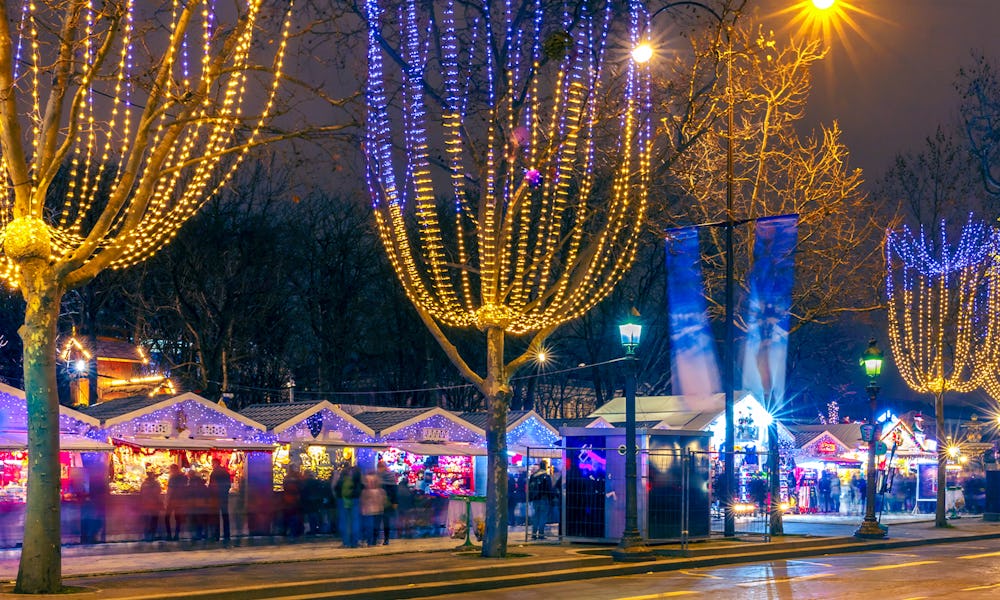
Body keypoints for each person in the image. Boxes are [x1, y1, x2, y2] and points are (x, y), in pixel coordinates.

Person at [335, 465, 362, 547]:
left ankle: (346, 542)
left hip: (342, 502)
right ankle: (355, 542)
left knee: (344, 522)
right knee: (355, 522)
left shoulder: (341, 480)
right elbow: (359, 491)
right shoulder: (357, 480)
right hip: (354, 501)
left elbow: (336, 490)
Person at [208, 458, 232, 541]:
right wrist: (225, 491)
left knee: (216, 517)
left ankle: (216, 535)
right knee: (225, 515)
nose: (212, 465)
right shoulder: (225, 472)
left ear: (215, 463)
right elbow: (229, 485)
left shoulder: (214, 473)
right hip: (224, 496)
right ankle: (227, 535)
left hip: (216, 497)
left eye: (212, 463)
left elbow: (211, 486)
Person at [528, 460, 553, 540]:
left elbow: (529, 488)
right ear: (545, 466)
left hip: (535, 499)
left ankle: (534, 533)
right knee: (543, 516)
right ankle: (541, 534)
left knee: (536, 516)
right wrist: (551, 499)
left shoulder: (533, 476)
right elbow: (549, 489)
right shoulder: (546, 476)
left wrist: (530, 498)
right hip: (544, 499)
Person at [361, 471, 387, 547]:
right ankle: (374, 541)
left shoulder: (365, 492)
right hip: (377, 510)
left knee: (370, 527)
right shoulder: (381, 491)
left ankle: (370, 541)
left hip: (369, 511)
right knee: (376, 527)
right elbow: (383, 501)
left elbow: (363, 501)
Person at [377, 461, 398, 545]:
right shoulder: (390, 477)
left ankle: (384, 539)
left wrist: (394, 502)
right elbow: (394, 491)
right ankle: (383, 539)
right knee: (383, 521)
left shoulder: (379, 477)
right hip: (383, 502)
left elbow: (394, 491)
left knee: (383, 521)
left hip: (384, 502)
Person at [165, 464, 187, 541]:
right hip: (181, 500)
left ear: (173, 470)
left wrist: (166, 501)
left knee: (166, 517)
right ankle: (176, 535)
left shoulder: (172, 478)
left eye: (171, 470)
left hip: (172, 500)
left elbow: (169, 491)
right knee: (178, 518)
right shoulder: (184, 477)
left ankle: (169, 535)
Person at [139, 470, 163, 541]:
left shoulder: (144, 483)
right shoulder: (156, 483)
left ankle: (147, 536)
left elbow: (141, 493)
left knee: (146, 521)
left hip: (145, 504)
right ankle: (152, 535)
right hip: (154, 505)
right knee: (154, 521)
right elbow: (158, 493)